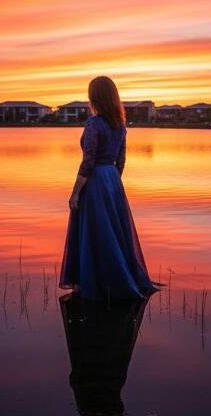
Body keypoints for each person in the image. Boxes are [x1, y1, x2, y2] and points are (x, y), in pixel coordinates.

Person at [60, 76, 159, 300]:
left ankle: (96, 282)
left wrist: (75, 192)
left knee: (97, 231)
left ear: (95, 97)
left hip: (95, 180)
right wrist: (112, 182)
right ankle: (116, 277)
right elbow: (121, 160)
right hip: (112, 179)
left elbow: (88, 161)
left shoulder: (94, 124)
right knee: (112, 232)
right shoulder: (120, 125)